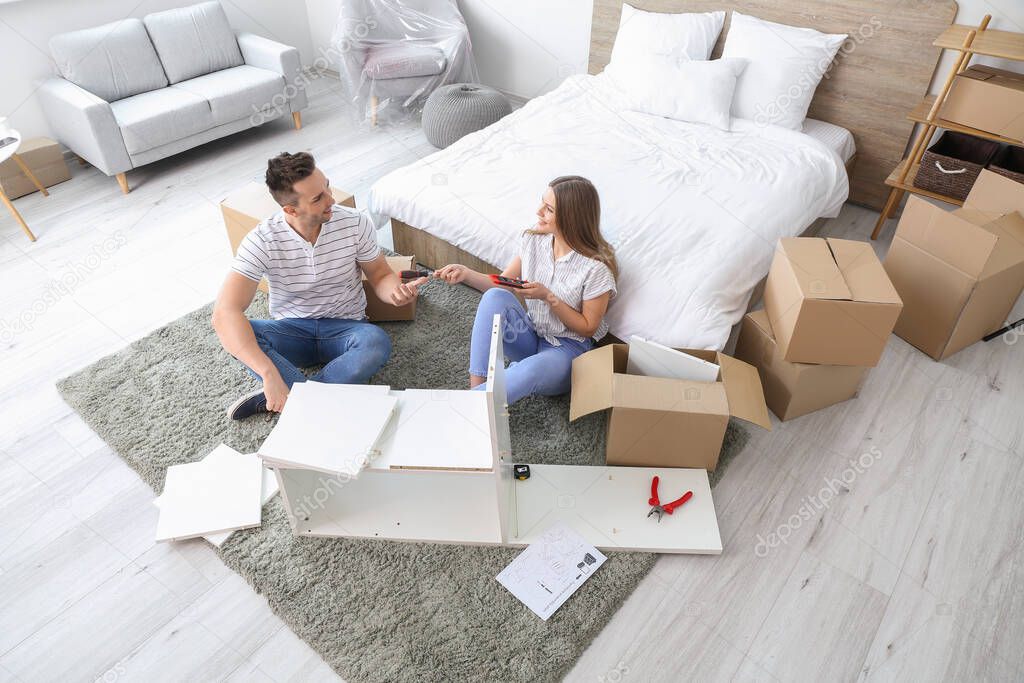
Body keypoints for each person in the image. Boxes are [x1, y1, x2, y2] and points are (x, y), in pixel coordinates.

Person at [212, 152, 426, 420]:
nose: (331, 199)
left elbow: (381, 275)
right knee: (240, 333)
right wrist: (268, 373)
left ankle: (292, 398)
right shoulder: (261, 241)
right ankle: (300, 394)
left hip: (347, 327)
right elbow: (224, 313)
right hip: (292, 329)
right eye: (318, 198)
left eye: (327, 186)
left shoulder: (354, 222)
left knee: (375, 343)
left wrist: (395, 293)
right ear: (290, 210)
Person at [435, 175, 617, 405]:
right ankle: (476, 396)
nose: (538, 211)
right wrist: (466, 273)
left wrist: (548, 296)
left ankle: (469, 406)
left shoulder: (595, 268)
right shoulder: (534, 240)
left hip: (566, 352)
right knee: (495, 296)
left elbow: (588, 328)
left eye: (548, 209)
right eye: (542, 203)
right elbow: (502, 282)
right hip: (530, 335)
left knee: (529, 370)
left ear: (571, 218)